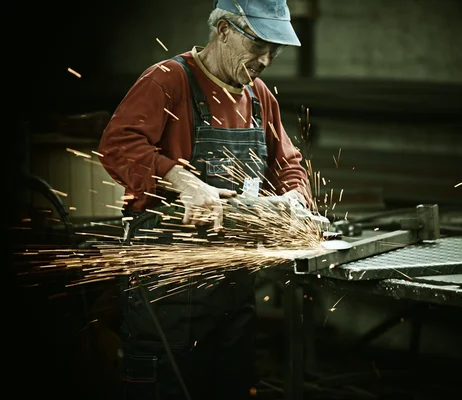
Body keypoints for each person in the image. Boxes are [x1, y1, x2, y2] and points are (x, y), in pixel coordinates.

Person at [97, 0, 312, 398]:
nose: (266, 59)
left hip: (234, 284)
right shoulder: (168, 80)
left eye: (275, 49)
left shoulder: (260, 96)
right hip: (168, 287)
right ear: (225, 30)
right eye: (260, 43)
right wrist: (182, 180)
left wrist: (294, 200)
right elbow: (116, 145)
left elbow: (289, 163)